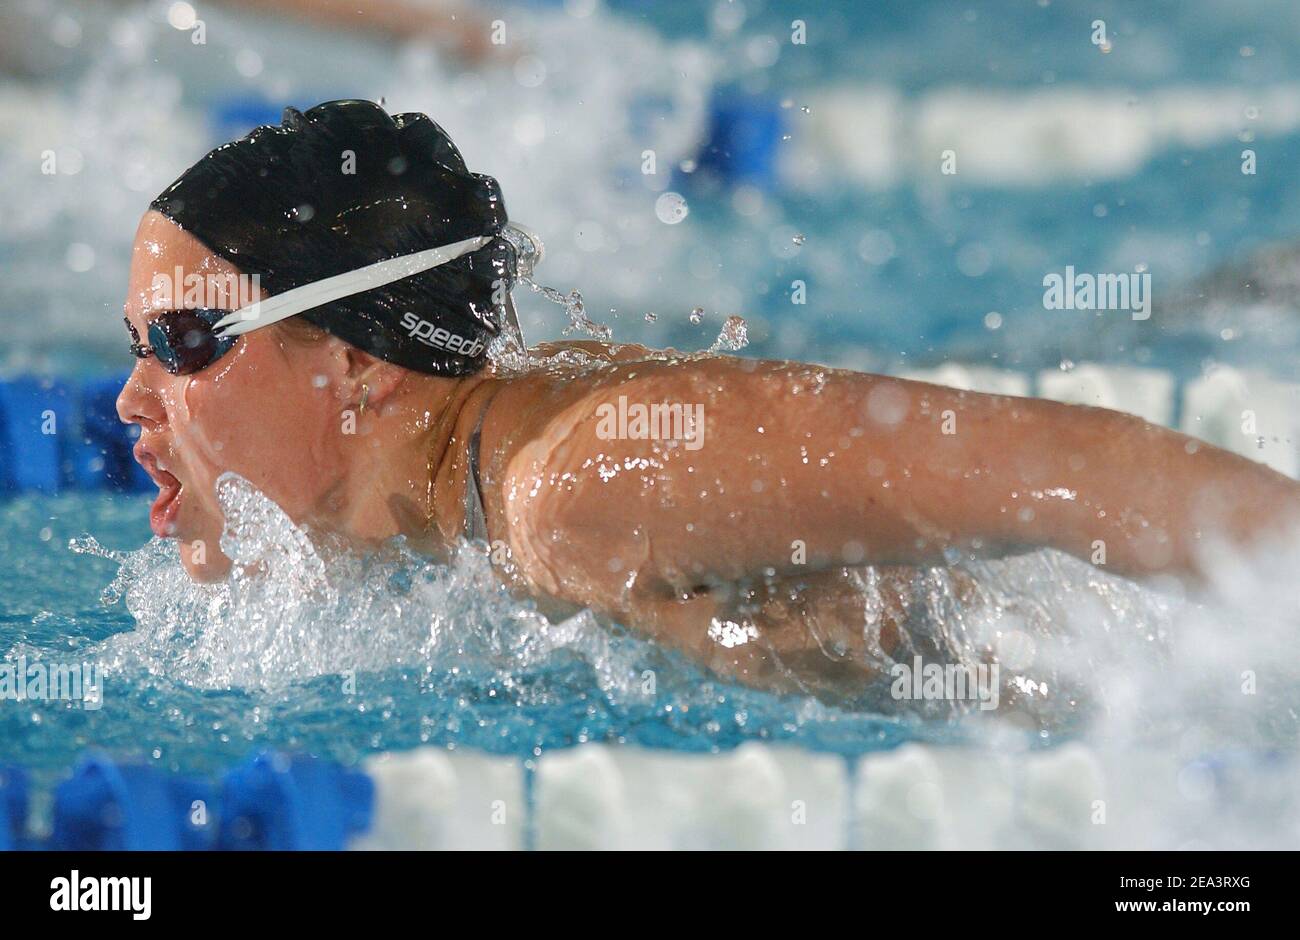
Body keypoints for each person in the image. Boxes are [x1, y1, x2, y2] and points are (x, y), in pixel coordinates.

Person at [117, 100, 1300, 700]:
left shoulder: (582, 485)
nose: (130, 398)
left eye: (183, 341)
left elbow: (1090, 474)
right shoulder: (476, 494)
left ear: (359, 361)